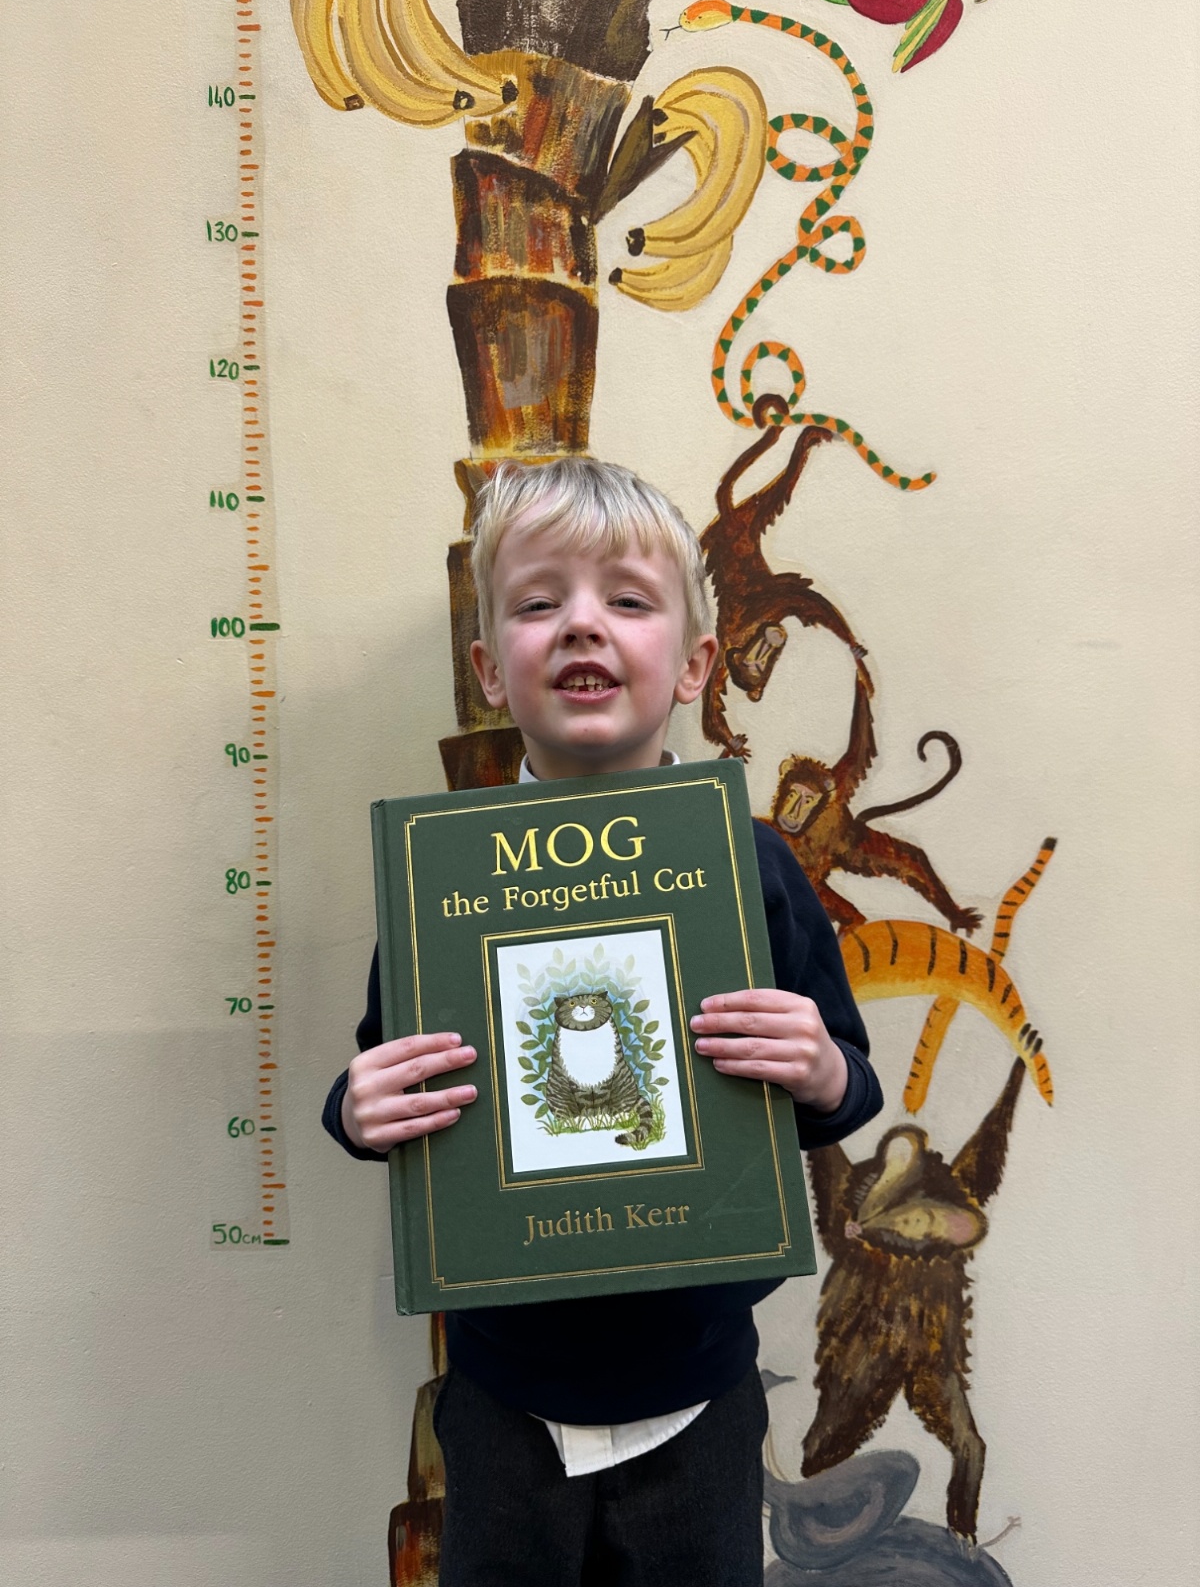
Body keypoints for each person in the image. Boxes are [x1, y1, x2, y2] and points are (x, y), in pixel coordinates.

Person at [322, 457, 883, 1585]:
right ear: (491, 669)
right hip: (503, 1389)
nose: (583, 624)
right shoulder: (443, 876)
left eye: (628, 600)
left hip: (701, 1388)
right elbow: (389, 1065)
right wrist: (355, 1108)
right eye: (539, 603)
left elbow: (849, 1086)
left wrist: (822, 1069)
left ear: (694, 664)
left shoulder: (754, 866)